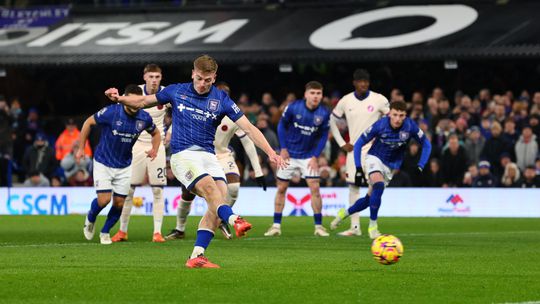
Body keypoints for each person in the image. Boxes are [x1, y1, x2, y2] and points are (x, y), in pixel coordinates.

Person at [105, 54, 285, 268]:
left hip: (209, 157)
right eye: (199, 78)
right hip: (183, 156)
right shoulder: (176, 90)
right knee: (211, 190)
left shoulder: (222, 100)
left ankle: (197, 255)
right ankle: (235, 219)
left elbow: (249, 128)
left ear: (214, 78)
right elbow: (143, 101)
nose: (202, 84)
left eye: (207, 80)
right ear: (193, 73)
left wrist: (270, 152)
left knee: (217, 201)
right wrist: (120, 99)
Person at [165, 81, 267, 240]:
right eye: (221, 92)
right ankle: (180, 228)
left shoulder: (233, 115)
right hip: (196, 154)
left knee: (232, 188)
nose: (222, 95)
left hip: (222, 155)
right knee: (188, 194)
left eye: (226, 92)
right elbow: (177, 127)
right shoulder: (196, 109)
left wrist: (258, 171)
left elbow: (248, 141)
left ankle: (222, 217)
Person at [330, 101, 431, 239]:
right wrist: (359, 167)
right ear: (390, 114)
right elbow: (359, 144)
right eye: (395, 115)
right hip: (374, 158)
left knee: (368, 199)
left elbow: (426, 144)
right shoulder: (380, 125)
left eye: (401, 115)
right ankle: (373, 227)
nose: (398, 119)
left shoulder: (410, 126)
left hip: (391, 166)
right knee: (378, 185)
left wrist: (421, 164)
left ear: (405, 115)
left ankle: (344, 213)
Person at [81, 85, 160, 245]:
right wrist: (81, 148)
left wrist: (155, 149)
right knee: (103, 200)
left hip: (124, 165)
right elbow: (88, 122)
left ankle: (105, 232)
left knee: (119, 203)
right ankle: (91, 217)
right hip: (103, 161)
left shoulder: (144, 118)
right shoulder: (112, 112)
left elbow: (156, 133)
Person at [111, 64, 170, 243]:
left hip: (157, 145)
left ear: (161, 78)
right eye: (151, 76)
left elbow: (181, 114)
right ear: (144, 77)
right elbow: (121, 112)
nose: (154, 80)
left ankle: (157, 233)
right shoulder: (136, 94)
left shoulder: (166, 94)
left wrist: (171, 130)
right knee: (129, 189)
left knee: (158, 190)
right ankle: (122, 231)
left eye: (157, 77)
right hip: (135, 145)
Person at [264, 81, 330, 237]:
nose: (315, 96)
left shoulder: (324, 113)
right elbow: (281, 126)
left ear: (322, 95)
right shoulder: (294, 107)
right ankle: (276, 226)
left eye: (318, 93)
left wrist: (316, 156)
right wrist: (284, 148)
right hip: (290, 155)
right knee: (281, 188)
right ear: (306, 94)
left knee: (315, 189)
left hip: (308, 156)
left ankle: (319, 226)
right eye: (312, 93)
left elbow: (323, 136)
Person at [329, 69, 389, 236]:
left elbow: (391, 120)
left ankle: (373, 225)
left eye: (366, 81)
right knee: (353, 187)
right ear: (354, 82)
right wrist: (342, 143)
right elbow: (332, 120)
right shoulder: (346, 101)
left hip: (375, 152)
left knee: (374, 187)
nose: (363, 84)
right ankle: (355, 227)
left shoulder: (379, 99)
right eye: (360, 81)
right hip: (354, 150)